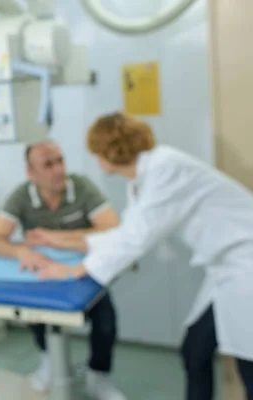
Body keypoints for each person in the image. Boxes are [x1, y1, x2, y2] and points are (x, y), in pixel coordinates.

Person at [36, 112, 253, 400]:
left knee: (247, 362)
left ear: (108, 153)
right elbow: (127, 232)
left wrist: (75, 271)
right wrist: (63, 243)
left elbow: (136, 239)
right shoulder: (144, 178)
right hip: (228, 269)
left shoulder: (166, 168)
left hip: (246, 264)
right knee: (195, 350)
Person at [0, 140, 126, 400]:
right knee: (35, 315)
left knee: (106, 322)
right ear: (31, 173)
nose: (58, 169)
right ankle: (49, 363)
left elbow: (113, 229)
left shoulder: (80, 186)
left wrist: (55, 237)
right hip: (46, 273)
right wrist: (21, 251)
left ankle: (98, 376)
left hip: (83, 272)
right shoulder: (22, 195)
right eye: (48, 165)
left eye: (60, 160)